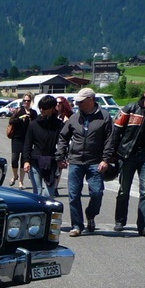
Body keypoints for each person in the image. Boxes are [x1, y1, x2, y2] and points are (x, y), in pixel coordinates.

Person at [103, 83, 145, 237]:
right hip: (127, 154)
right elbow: (116, 131)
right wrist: (111, 154)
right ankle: (120, 221)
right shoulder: (130, 108)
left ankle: (144, 225)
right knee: (124, 190)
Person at [56, 87, 112, 236]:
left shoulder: (104, 117)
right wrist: (60, 156)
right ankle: (77, 225)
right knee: (73, 195)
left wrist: (106, 159)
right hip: (75, 161)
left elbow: (109, 140)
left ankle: (90, 214)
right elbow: (63, 137)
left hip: (95, 162)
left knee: (97, 193)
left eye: (81, 101)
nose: (78, 104)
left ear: (91, 100)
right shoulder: (74, 118)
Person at [22, 95, 64, 198]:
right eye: (40, 107)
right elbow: (27, 144)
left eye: (45, 108)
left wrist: (62, 158)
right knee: (38, 192)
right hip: (35, 160)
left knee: (49, 194)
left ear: (52, 108)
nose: (42, 110)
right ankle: (39, 213)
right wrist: (26, 161)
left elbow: (63, 143)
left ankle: (47, 212)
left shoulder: (59, 125)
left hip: (52, 160)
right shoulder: (33, 124)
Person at [7, 93, 36, 187]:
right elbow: (11, 121)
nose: (26, 102)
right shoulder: (19, 110)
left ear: (31, 101)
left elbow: (36, 124)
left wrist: (30, 118)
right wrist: (21, 118)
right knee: (14, 159)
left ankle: (21, 181)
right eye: (25, 100)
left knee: (24, 160)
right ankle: (15, 176)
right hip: (16, 138)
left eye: (28, 101)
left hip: (27, 139)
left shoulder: (33, 113)